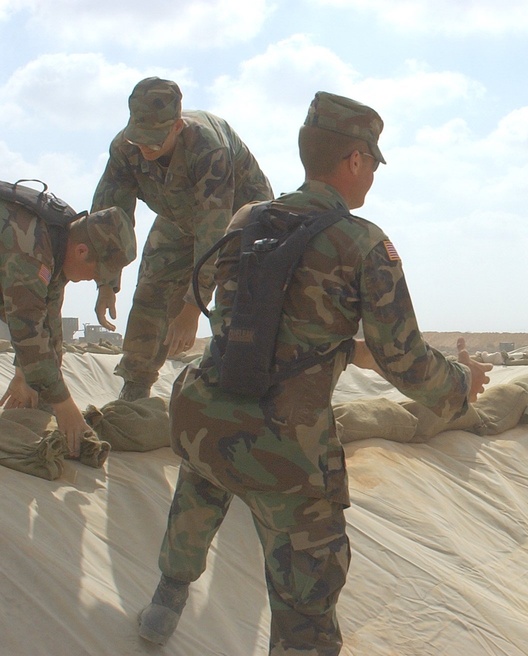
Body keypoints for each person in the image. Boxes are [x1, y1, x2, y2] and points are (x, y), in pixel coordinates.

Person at [137, 91, 492, 655]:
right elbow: (405, 360)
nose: (372, 176)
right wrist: (459, 385)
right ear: (354, 161)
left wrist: (350, 352)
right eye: (372, 163)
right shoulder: (363, 243)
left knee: (200, 492)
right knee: (307, 600)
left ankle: (165, 602)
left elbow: (265, 331)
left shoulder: (250, 219)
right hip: (285, 448)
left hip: (206, 415)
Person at [91, 76, 273, 401]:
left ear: (177, 127)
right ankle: (135, 386)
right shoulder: (126, 148)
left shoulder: (208, 149)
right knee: (151, 288)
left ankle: (248, 390)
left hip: (242, 219)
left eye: (155, 140)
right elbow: (109, 217)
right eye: (139, 138)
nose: (145, 147)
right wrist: (106, 282)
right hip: (179, 217)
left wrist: (191, 308)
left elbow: (214, 232)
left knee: (241, 299)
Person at [1, 195, 136, 457]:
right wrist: (64, 407)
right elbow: (27, 328)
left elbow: (48, 321)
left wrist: (23, 375)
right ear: (82, 251)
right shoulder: (30, 248)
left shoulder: (62, 236)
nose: (89, 281)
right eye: (95, 274)